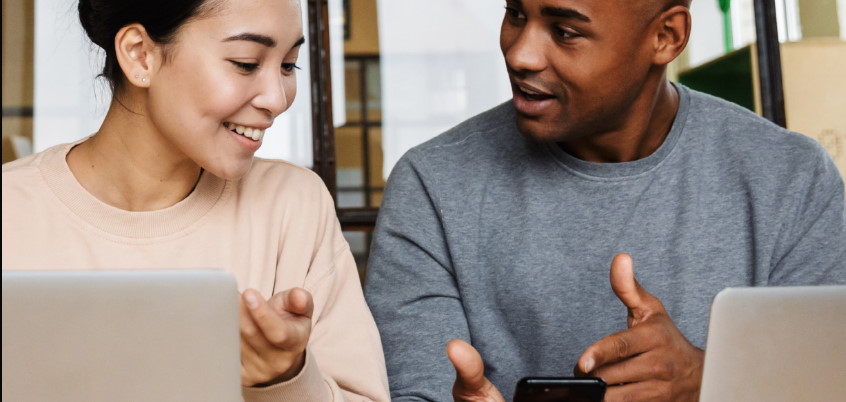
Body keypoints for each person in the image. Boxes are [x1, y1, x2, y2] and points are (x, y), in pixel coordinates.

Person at [364, 0, 846, 401]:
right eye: (514, 14)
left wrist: (707, 382)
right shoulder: (433, 184)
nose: (520, 54)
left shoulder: (789, 178)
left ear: (666, 36)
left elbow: (827, 385)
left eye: (565, 30)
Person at [1, 0, 389, 400]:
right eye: (246, 62)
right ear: (140, 55)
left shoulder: (293, 204)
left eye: (288, 65)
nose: (277, 98)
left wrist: (284, 377)